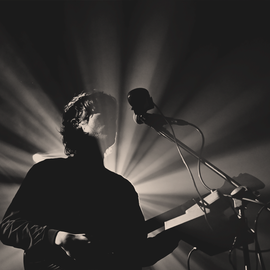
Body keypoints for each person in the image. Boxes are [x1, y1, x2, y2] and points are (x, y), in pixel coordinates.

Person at [0, 91, 181, 270]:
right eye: (104, 115)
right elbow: (9, 227)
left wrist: (181, 232)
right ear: (79, 123)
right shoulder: (48, 171)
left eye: (114, 118)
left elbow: (138, 252)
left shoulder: (122, 188)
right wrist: (57, 237)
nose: (112, 123)